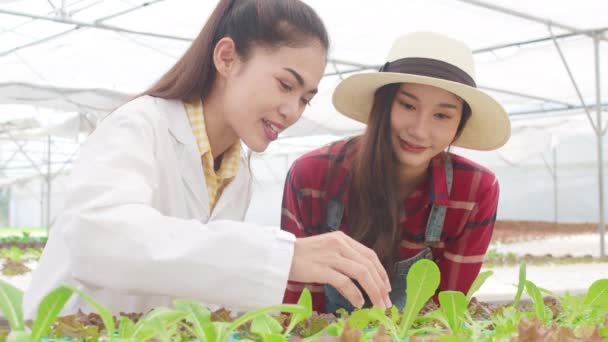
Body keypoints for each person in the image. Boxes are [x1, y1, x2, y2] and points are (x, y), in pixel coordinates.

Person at [23, 0, 392, 319]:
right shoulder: (139, 125)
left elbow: (198, 282)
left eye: (305, 99)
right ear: (227, 58)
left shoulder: (237, 174)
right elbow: (100, 240)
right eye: (285, 85)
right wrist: (283, 255)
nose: (292, 110)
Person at [281, 32, 511, 313]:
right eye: (408, 105)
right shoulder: (312, 176)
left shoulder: (475, 189)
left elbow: (446, 309)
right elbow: (302, 310)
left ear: (459, 125)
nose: (419, 130)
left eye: (442, 115)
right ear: (383, 103)